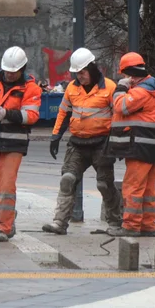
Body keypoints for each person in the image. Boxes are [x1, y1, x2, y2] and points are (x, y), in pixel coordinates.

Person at [43, 48, 122, 235]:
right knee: (67, 179)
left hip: (101, 144)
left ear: (92, 69)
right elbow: (64, 112)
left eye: (82, 72)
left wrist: (117, 143)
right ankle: (60, 223)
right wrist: (56, 136)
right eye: (77, 73)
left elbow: (118, 117)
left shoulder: (110, 88)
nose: (80, 77)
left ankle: (115, 222)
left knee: (104, 184)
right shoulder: (72, 88)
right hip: (77, 143)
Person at [106, 53, 155, 237]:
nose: (124, 79)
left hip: (140, 145)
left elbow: (120, 107)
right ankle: (147, 225)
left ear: (130, 75)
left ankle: (131, 226)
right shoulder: (151, 87)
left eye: (125, 76)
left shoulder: (140, 92)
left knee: (132, 186)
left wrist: (120, 89)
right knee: (147, 189)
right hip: (150, 146)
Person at [0, 47, 42, 241]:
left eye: (14, 71)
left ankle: (3, 228)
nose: (10, 74)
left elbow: (31, 116)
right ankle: (9, 217)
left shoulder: (31, 88)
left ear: (22, 68)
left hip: (14, 143)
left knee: (6, 186)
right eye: (7, 70)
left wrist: (4, 113)